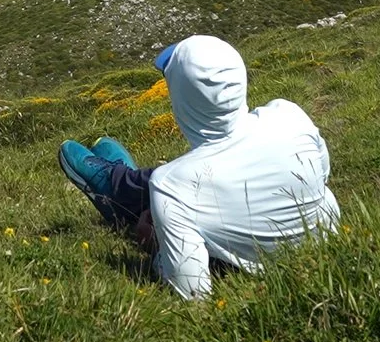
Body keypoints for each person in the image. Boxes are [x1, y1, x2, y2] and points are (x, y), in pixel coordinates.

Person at [58, 34, 341, 298]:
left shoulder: (172, 184)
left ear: (183, 100)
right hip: (322, 243)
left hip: (248, 266)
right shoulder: (289, 116)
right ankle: (124, 182)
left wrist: (154, 247)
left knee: (174, 181)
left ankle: (117, 190)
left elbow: (193, 290)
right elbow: (322, 175)